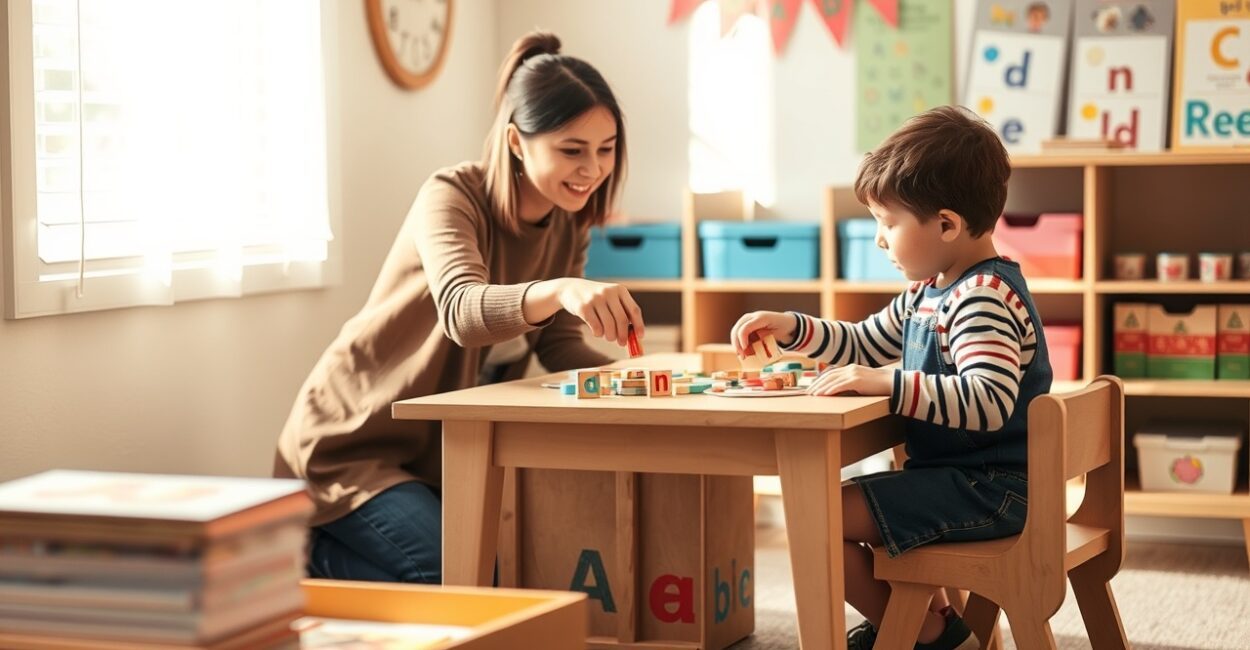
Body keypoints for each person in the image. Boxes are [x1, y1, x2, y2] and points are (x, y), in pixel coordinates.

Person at [274, 31, 644, 585]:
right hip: (352, 445)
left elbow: (557, 343)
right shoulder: (451, 195)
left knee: (502, 573)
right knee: (465, 579)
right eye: (572, 149)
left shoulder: (569, 221)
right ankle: (297, 560)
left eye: (606, 148)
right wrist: (562, 289)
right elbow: (462, 311)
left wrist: (637, 379)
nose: (593, 169)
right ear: (518, 143)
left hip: (437, 456)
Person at [730, 106, 1052, 650]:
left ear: (947, 225)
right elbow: (861, 341)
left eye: (889, 222)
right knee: (822, 509)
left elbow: (988, 400)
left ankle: (928, 633)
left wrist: (887, 382)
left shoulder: (981, 299)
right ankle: (927, 623)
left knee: (817, 514)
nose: (880, 240)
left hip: (992, 491)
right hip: (963, 482)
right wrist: (790, 326)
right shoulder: (933, 290)